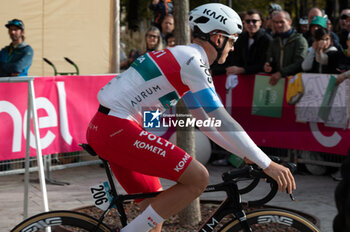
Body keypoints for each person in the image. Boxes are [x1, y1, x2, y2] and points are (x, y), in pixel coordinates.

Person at [86, 3, 296, 232]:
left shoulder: (186, 59)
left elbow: (207, 124)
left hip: (107, 128)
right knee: (198, 178)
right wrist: (267, 163)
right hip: (117, 128)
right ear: (218, 38)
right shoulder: (192, 61)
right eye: (233, 41)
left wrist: (246, 155)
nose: (233, 48)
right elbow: (223, 119)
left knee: (153, 215)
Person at [264, 10, 308, 85]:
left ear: (289, 22)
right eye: (276, 22)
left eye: (282, 22)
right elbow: (270, 58)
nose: (278, 25)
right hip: (277, 83)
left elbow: (299, 63)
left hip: (295, 83)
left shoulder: (300, 40)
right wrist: (268, 66)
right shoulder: (274, 41)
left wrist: (281, 73)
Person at [225, 9, 272, 75]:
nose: (251, 24)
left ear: (260, 23)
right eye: (248, 21)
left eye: (254, 21)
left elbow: (264, 64)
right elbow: (234, 59)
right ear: (243, 23)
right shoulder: (240, 38)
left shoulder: (267, 40)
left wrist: (243, 70)